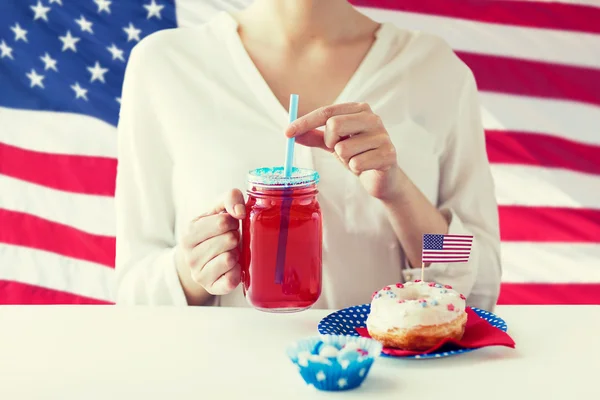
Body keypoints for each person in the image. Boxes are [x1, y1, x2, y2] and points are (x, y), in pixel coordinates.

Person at [114, 0, 502, 311]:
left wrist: (400, 194)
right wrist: (192, 266)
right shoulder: (165, 65)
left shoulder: (435, 70)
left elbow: (480, 279)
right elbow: (133, 290)